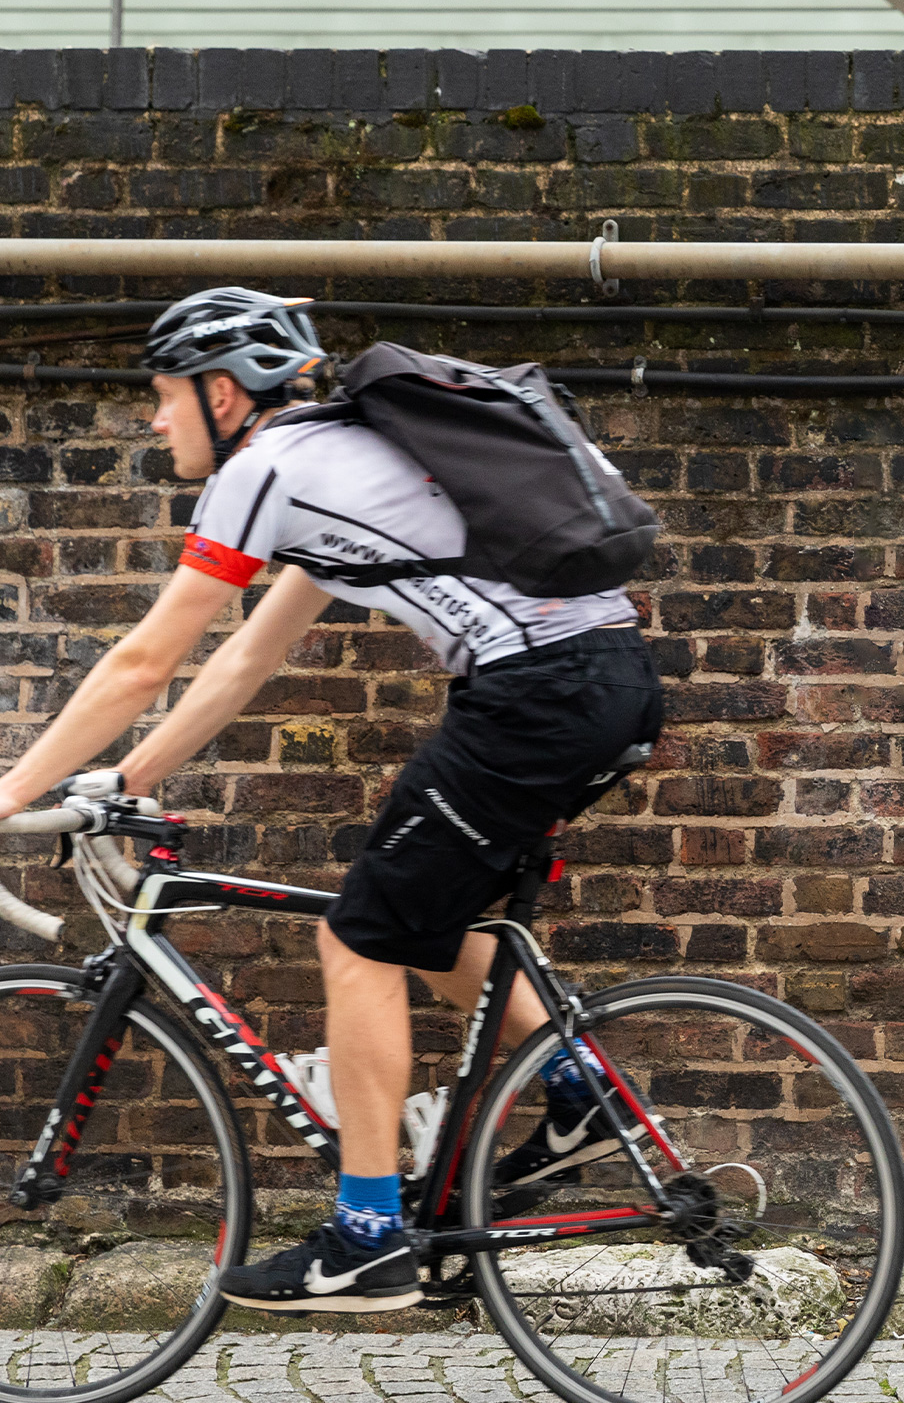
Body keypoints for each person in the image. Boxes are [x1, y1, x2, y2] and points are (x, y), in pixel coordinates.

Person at [0, 289, 664, 1311]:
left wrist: (10, 791)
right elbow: (245, 660)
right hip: (602, 682)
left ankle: (365, 1237)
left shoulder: (267, 469)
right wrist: (128, 782)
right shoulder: (341, 459)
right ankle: (581, 1095)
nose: (155, 419)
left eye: (165, 394)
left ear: (224, 393)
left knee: (357, 939)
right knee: (417, 921)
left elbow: (143, 663)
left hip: (537, 692)